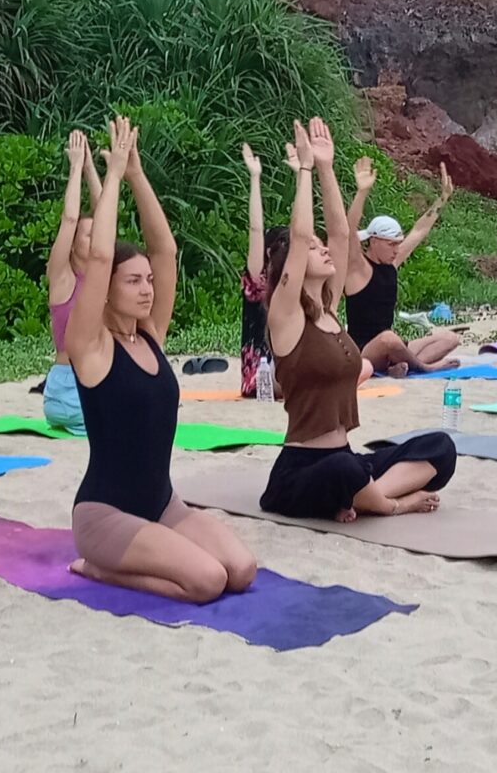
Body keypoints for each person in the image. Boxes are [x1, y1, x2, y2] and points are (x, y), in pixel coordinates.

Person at [66, 116, 256, 602]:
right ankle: (98, 569)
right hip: (105, 515)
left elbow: (166, 250)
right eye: (134, 282)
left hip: (162, 503)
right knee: (207, 582)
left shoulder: (149, 335)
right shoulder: (91, 347)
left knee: (241, 570)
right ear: (105, 291)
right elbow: (102, 255)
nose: (147, 289)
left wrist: (135, 174)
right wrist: (107, 177)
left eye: (148, 281)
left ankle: (149, 550)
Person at [260, 119, 456, 521]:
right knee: (344, 470)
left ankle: (359, 496)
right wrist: (303, 172)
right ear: (289, 270)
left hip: (345, 457)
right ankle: (386, 503)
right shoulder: (286, 318)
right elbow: (300, 238)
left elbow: (340, 232)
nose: (323, 250)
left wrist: (327, 168)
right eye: (314, 250)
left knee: (441, 448)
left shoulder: (328, 307)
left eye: (320, 247)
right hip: (301, 472)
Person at [345, 157, 459, 376]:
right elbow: (347, 232)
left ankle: (398, 367)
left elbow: (419, 231)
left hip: (393, 344)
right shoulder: (358, 268)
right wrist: (362, 192)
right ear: (374, 241)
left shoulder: (392, 263)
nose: (397, 250)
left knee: (449, 338)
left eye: (398, 244)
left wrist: (442, 199)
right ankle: (425, 367)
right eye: (391, 245)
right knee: (389, 338)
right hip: (364, 351)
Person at [44, 130, 102, 435]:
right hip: (68, 389)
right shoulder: (62, 276)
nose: (97, 240)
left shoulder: (98, 275)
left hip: (79, 389)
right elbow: (69, 219)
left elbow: (105, 212)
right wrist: (75, 168)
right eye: (88, 235)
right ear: (74, 243)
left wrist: (91, 165)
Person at [240, 141, 287, 398]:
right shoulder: (258, 284)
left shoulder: (289, 285)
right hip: (260, 378)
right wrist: (255, 178)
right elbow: (255, 230)